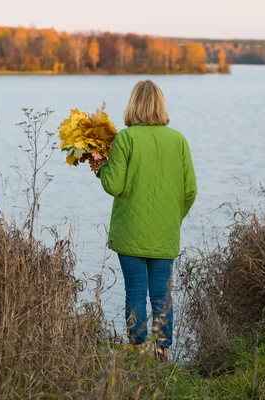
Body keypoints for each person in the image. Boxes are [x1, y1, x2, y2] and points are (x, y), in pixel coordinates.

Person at [95, 80, 197, 362]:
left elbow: (114, 185)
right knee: (162, 296)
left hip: (130, 232)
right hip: (165, 233)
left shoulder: (126, 139)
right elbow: (190, 191)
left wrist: (100, 166)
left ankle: (138, 350)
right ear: (160, 105)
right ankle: (162, 351)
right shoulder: (178, 141)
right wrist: (172, 219)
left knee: (136, 293)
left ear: (133, 105)